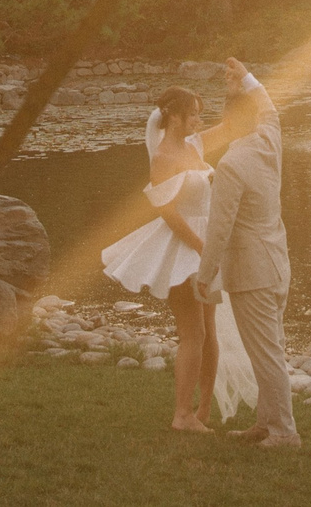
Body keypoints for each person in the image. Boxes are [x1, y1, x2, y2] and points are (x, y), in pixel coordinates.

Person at [99, 86, 257, 430]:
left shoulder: (195, 145)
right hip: (183, 246)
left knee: (210, 330)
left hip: (207, 244)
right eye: (194, 114)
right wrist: (201, 247)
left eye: (200, 114)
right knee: (193, 332)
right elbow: (167, 211)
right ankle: (181, 414)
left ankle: (202, 411)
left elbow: (231, 127)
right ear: (173, 117)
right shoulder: (163, 159)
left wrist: (247, 89)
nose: (199, 121)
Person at [195, 57, 299, 448]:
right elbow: (268, 106)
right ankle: (266, 423)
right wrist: (245, 79)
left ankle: (285, 432)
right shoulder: (269, 139)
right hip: (276, 262)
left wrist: (204, 276)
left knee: (267, 354)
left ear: (232, 123)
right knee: (270, 347)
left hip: (252, 272)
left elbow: (218, 229)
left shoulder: (231, 166)